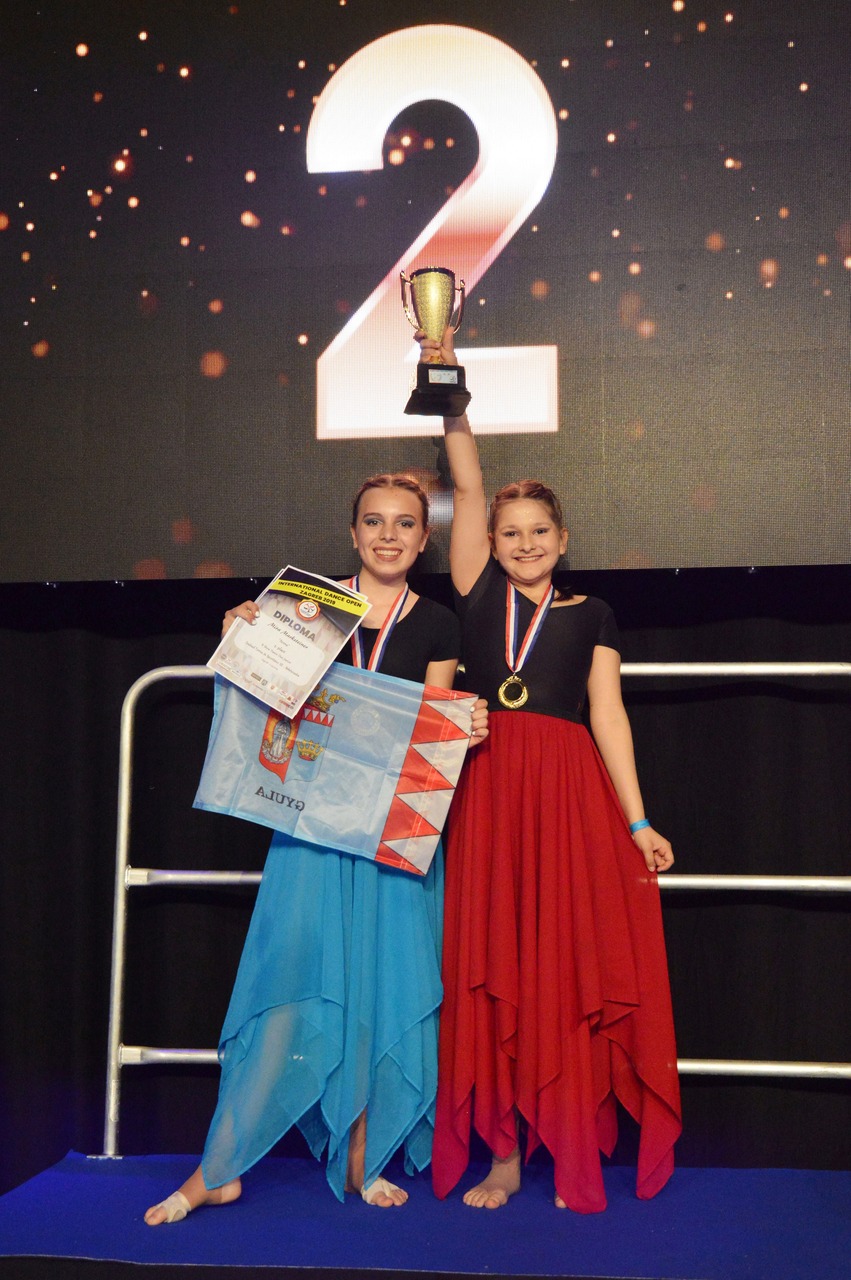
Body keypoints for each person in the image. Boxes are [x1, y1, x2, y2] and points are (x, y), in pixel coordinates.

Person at [145, 473, 488, 1223]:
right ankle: (220, 1166)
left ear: (424, 539)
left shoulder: (438, 624)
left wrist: (465, 728)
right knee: (285, 988)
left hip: (392, 836)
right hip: (309, 830)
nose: (388, 535)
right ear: (353, 532)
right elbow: (258, 698)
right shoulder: (307, 607)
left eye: (405, 523)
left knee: (384, 989)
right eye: (374, 521)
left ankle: (363, 1156)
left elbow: (430, 723)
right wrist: (243, 636)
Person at [419, 328, 682, 1214]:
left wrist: (636, 821)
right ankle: (502, 1156)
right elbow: (465, 483)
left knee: (560, 968)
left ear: (562, 538)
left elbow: (607, 716)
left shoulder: (592, 611)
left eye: (538, 531)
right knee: (494, 964)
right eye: (509, 532)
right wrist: (448, 387)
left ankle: (566, 1142)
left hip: (568, 795)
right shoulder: (476, 589)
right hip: (488, 787)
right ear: (488, 542)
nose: (524, 543)